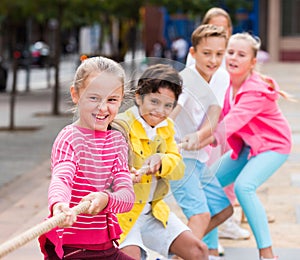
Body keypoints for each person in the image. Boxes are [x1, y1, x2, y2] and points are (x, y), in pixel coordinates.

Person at [39, 56, 135, 260]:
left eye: (111, 100)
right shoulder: (69, 138)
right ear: (76, 94)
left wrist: (107, 199)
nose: (102, 108)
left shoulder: (117, 141)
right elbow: (62, 177)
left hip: (106, 248)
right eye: (94, 97)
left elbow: (127, 196)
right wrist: (58, 205)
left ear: (121, 99)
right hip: (71, 251)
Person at [207, 32, 292, 260]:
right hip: (248, 146)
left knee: (244, 187)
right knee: (208, 182)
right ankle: (210, 251)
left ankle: (267, 253)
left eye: (241, 54)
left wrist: (202, 138)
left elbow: (231, 123)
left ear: (253, 62)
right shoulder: (228, 85)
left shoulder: (254, 90)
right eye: (231, 52)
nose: (233, 57)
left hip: (274, 146)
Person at [116, 64, 209, 260]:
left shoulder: (166, 127)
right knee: (131, 257)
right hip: (124, 214)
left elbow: (178, 169)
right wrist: (130, 173)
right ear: (139, 97)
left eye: (168, 105)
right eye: (154, 101)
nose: (160, 111)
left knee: (198, 251)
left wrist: (162, 159)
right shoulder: (120, 126)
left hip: (152, 210)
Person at [186, 7, 251, 245]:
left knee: (224, 199)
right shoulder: (191, 72)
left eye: (225, 28)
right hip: (194, 143)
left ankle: (198, 243)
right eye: (216, 26)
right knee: (204, 200)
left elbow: (220, 106)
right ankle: (197, 245)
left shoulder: (226, 65)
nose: (214, 59)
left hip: (217, 135)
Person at [169, 24, 232, 259]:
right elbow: (173, 111)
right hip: (178, 156)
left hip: (197, 157)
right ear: (193, 53)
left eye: (219, 54)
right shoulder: (186, 81)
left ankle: (179, 251)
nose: (213, 59)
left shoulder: (221, 77)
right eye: (206, 53)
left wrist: (200, 137)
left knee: (223, 210)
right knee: (201, 215)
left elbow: (214, 118)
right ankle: (186, 252)